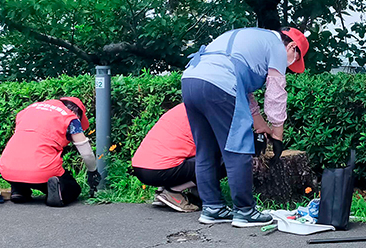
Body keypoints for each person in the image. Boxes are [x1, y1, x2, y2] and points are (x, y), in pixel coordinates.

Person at [182, 26, 309, 227]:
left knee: (206, 150)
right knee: (237, 148)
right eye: (295, 58)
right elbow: (275, 93)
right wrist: (277, 133)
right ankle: (245, 211)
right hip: (221, 84)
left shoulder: (248, 36)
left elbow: (244, 91)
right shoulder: (276, 46)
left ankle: (212, 208)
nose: (291, 65)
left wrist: (261, 124)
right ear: (292, 46)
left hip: (191, 80)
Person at [0, 97, 101, 207]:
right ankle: (60, 192)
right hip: (42, 170)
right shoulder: (70, 117)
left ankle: (18, 190)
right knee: (73, 188)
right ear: (77, 112)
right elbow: (86, 153)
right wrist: (92, 171)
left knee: (22, 159)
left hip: (6, 168)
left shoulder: (28, 110)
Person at [131, 104, 199, 213]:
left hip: (140, 166)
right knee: (221, 160)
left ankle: (162, 191)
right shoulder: (205, 112)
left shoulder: (182, 108)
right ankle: (172, 191)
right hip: (160, 170)